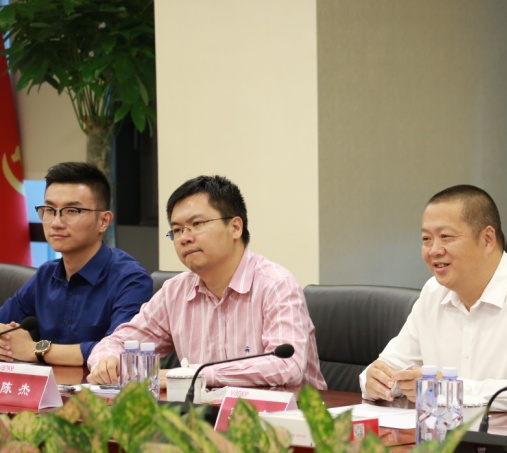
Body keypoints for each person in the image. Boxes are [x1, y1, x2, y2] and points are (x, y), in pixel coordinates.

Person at [87, 175, 326, 390]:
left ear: (235, 227)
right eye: (177, 230)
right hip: (204, 416)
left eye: (197, 225)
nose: (184, 238)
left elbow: (287, 365)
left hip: (287, 418)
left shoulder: (276, 284)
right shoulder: (175, 291)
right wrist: (106, 360)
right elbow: (117, 342)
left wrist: (194, 375)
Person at [360, 184, 507, 414]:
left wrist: (453, 390)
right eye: (426, 239)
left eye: (445, 237)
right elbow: (385, 368)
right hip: (448, 434)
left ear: (487, 239)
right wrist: (378, 381)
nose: (434, 250)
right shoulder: (433, 292)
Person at [0, 162, 151, 366]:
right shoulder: (46, 275)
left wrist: (36, 349)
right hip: (49, 385)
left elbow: (118, 352)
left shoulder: (131, 280)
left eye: (71, 211)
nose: (56, 223)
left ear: (103, 221)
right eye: (49, 210)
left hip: (99, 387)